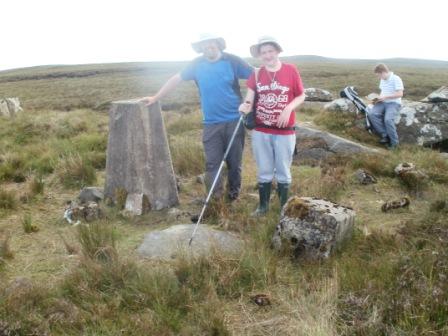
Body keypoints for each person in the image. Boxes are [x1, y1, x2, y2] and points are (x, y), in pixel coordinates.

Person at [141, 34, 253, 204]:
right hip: (211, 124)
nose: (209, 46)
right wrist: (156, 97)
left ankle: (232, 196)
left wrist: (249, 101)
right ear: (201, 48)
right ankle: (214, 200)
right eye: (204, 44)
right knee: (212, 163)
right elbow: (176, 79)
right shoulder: (196, 64)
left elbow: (256, 75)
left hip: (234, 121)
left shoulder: (232, 61)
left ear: (218, 44)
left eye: (212, 43)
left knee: (234, 163)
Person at [239, 36, 305, 216]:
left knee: (283, 169)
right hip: (261, 130)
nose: (267, 55)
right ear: (260, 55)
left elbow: (301, 95)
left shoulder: (290, 70)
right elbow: (249, 98)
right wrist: (245, 106)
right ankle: (263, 207)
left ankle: (283, 207)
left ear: (277, 51)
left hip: (285, 131)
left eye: (270, 51)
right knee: (264, 169)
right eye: (263, 52)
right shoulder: (257, 74)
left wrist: (288, 108)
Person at [368, 63, 404, 149]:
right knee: (371, 114)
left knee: (388, 120)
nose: (379, 78)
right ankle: (385, 135)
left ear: (383, 72)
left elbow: (400, 94)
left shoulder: (396, 78)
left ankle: (395, 144)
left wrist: (386, 97)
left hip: (393, 103)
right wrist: (377, 99)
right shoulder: (382, 79)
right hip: (382, 102)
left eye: (379, 75)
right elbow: (383, 91)